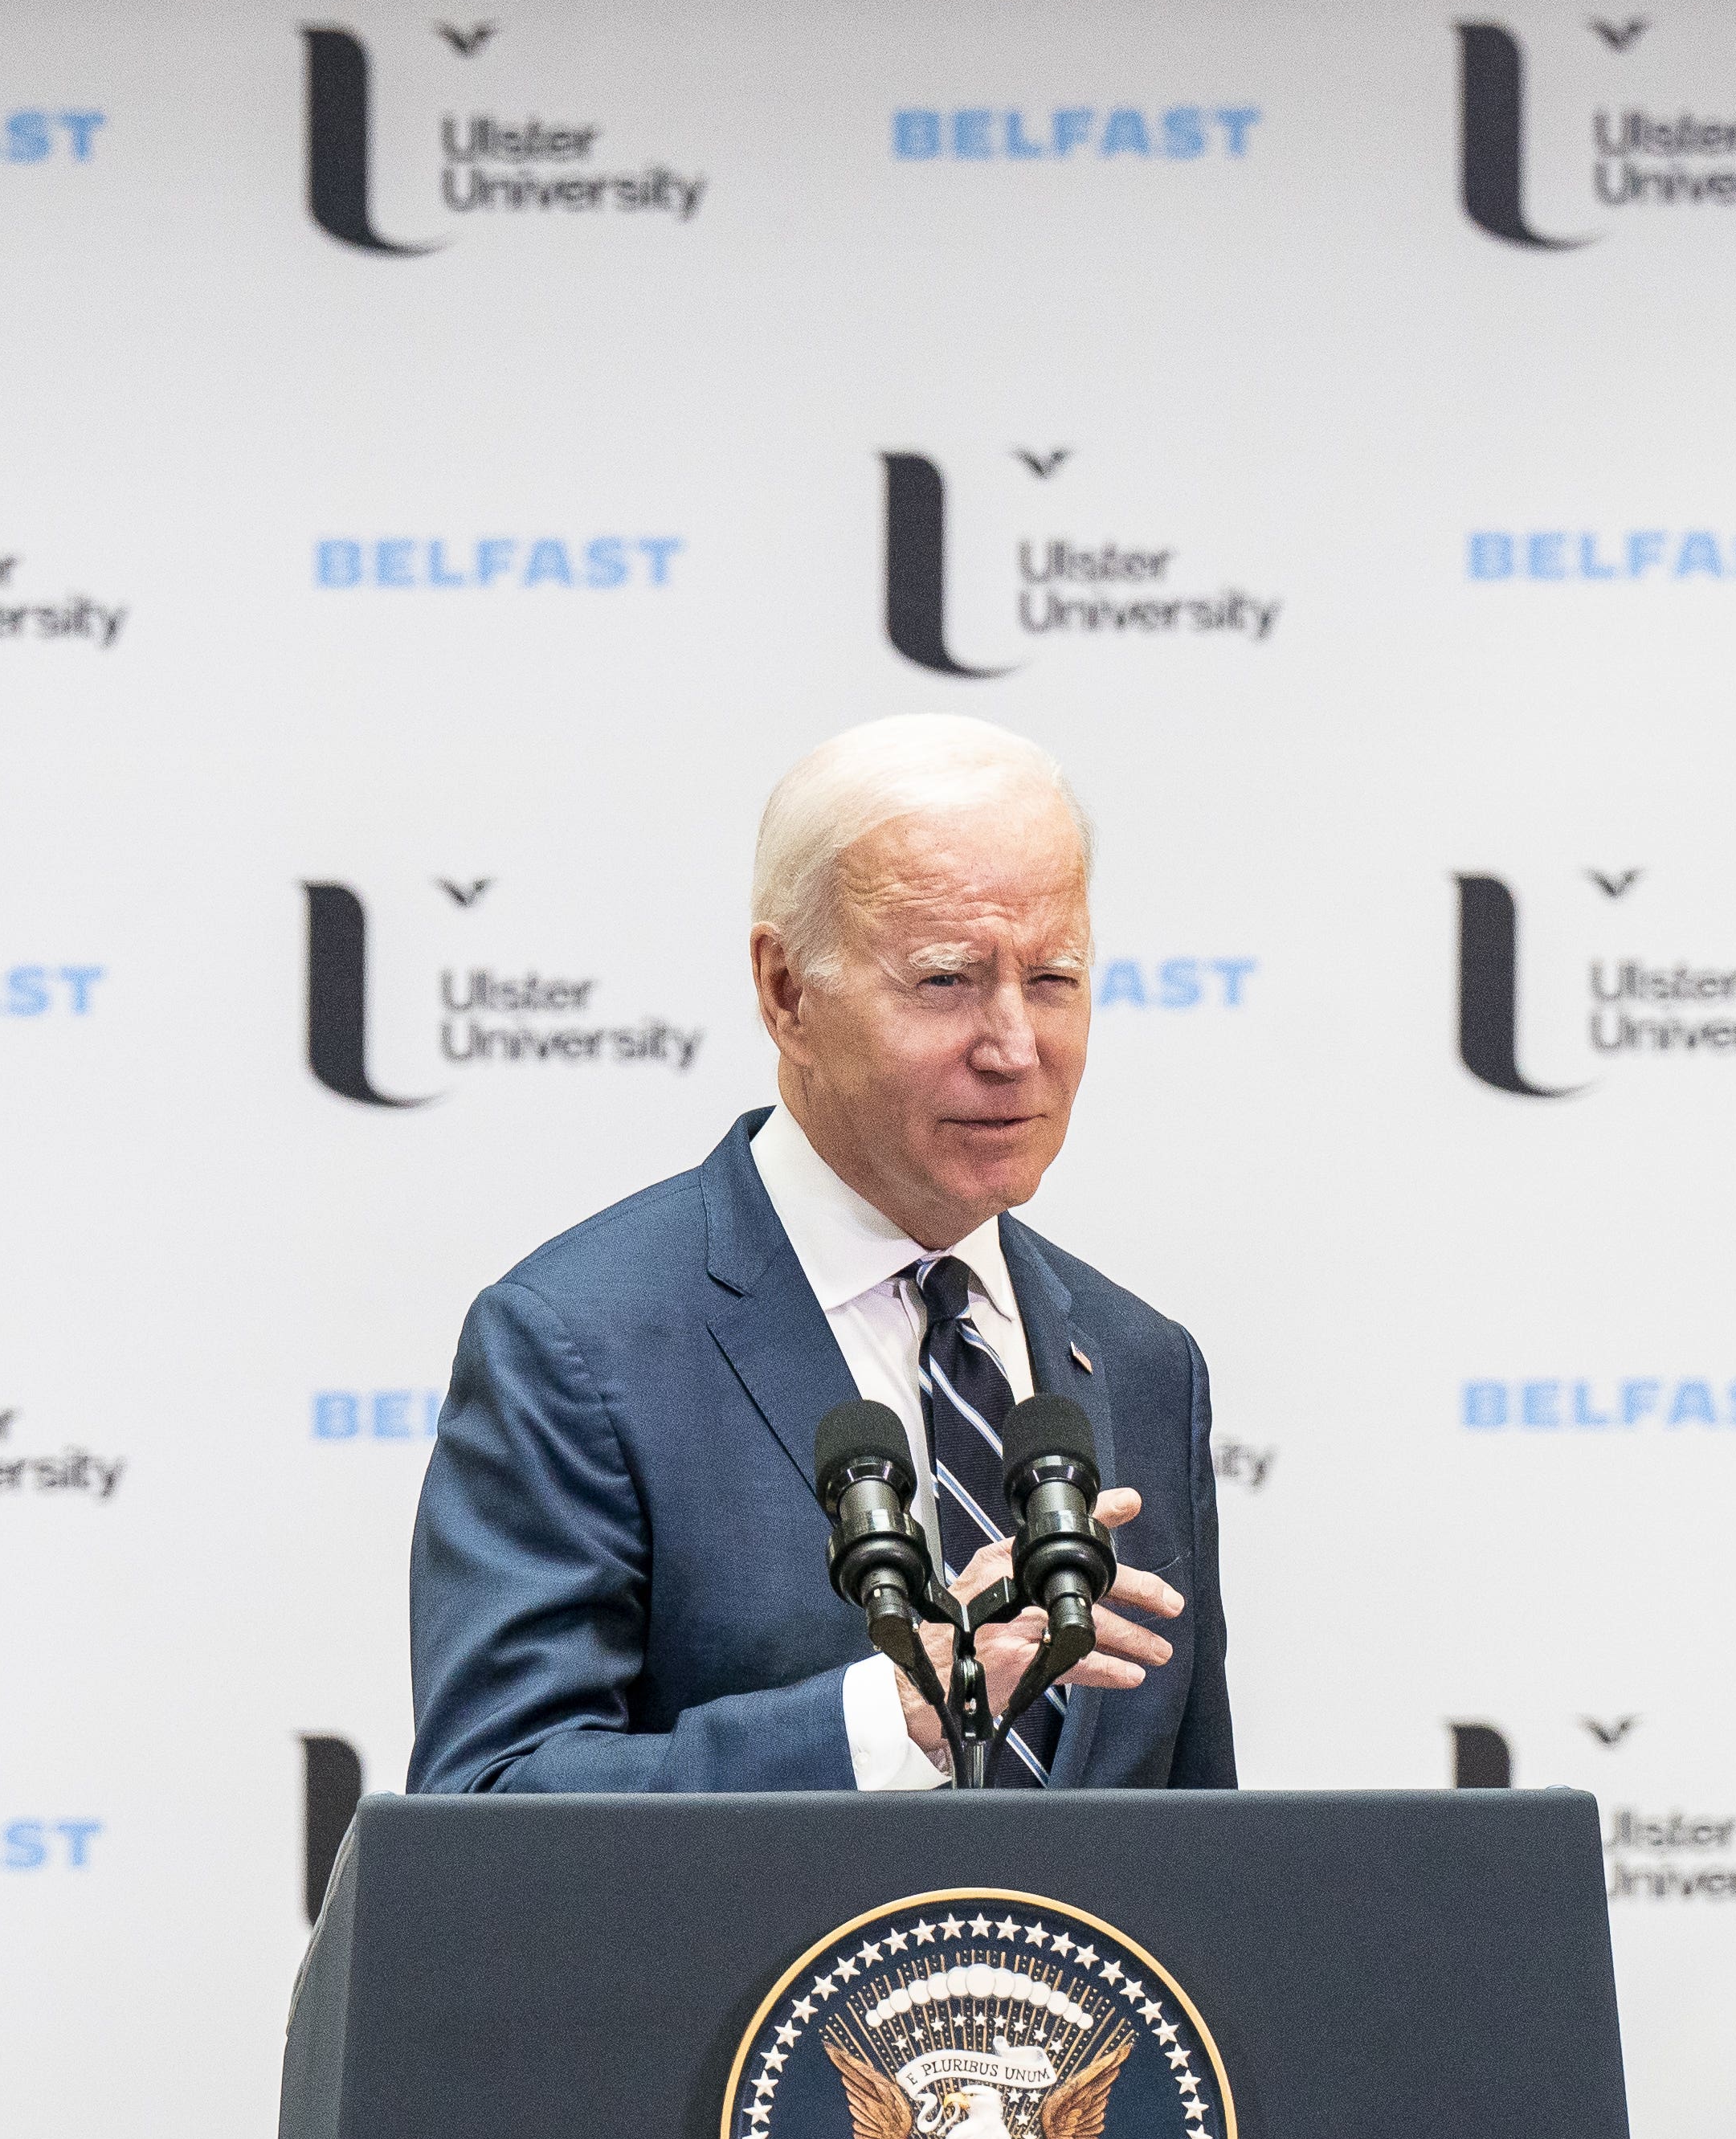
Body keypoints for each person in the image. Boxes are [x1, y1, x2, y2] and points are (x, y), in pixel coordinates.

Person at [406, 714, 1232, 1792]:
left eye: (1053, 981)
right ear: (787, 992)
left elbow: (1199, 1850)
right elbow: (489, 1802)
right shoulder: (579, 1345)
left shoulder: (1139, 1360)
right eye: (946, 981)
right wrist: (890, 1723)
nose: (1014, 1048)